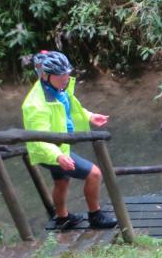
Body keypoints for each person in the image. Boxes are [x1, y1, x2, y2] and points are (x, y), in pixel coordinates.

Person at [22, 50, 117, 230]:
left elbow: (70, 107)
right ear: (46, 75)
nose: (66, 78)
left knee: (61, 181)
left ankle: (62, 217)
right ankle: (95, 216)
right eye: (61, 75)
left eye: (68, 73)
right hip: (49, 150)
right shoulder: (35, 104)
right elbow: (38, 137)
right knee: (94, 174)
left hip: (59, 146)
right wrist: (57, 156)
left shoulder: (57, 89)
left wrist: (89, 116)